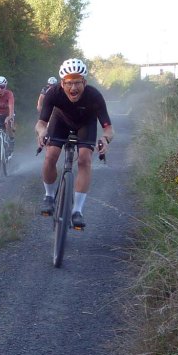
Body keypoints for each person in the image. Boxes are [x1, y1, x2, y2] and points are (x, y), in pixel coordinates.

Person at [35, 58, 114, 228]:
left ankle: (77, 210)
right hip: (60, 122)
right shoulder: (53, 93)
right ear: (62, 83)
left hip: (86, 124)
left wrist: (105, 139)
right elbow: (41, 123)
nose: (73, 88)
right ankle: (49, 196)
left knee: (85, 159)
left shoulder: (94, 96)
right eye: (69, 83)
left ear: (84, 82)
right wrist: (42, 132)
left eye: (77, 82)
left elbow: (108, 129)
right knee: (50, 155)